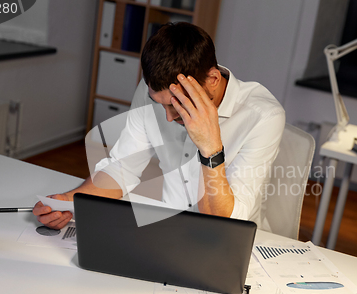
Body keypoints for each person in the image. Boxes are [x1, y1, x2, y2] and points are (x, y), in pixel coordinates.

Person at [33, 22, 285, 231]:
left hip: (231, 241)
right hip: (168, 230)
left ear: (212, 80)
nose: (167, 117)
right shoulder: (150, 91)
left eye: (177, 106)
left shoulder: (263, 116)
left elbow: (227, 223)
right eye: (159, 103)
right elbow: (123, 168)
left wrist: (210, 148)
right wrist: (71, 201)